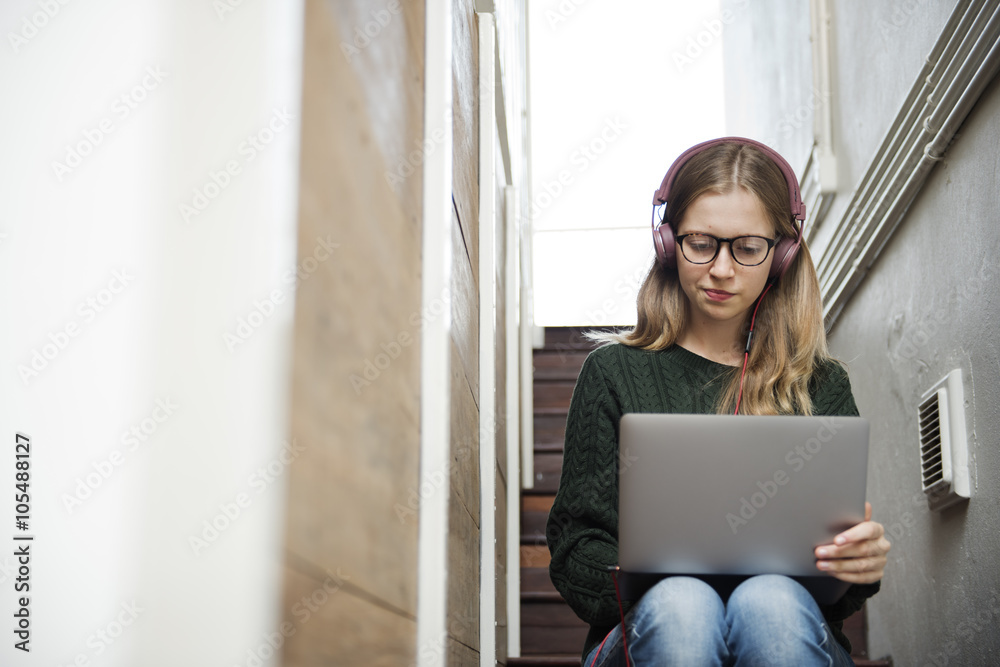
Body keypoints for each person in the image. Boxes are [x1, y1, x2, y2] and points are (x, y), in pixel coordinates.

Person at [546, 137, 891, 667]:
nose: (722, 269)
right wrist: (673, 582)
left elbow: (837, 595)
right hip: (650, 628)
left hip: (786, 626)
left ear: (781, 254)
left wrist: (855, 564)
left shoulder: (820, 384)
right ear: (668, 243)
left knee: (769, 603)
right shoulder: (614, 373)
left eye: (748, 247)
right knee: (685, 604)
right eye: (701, 243)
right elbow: (575, 553)